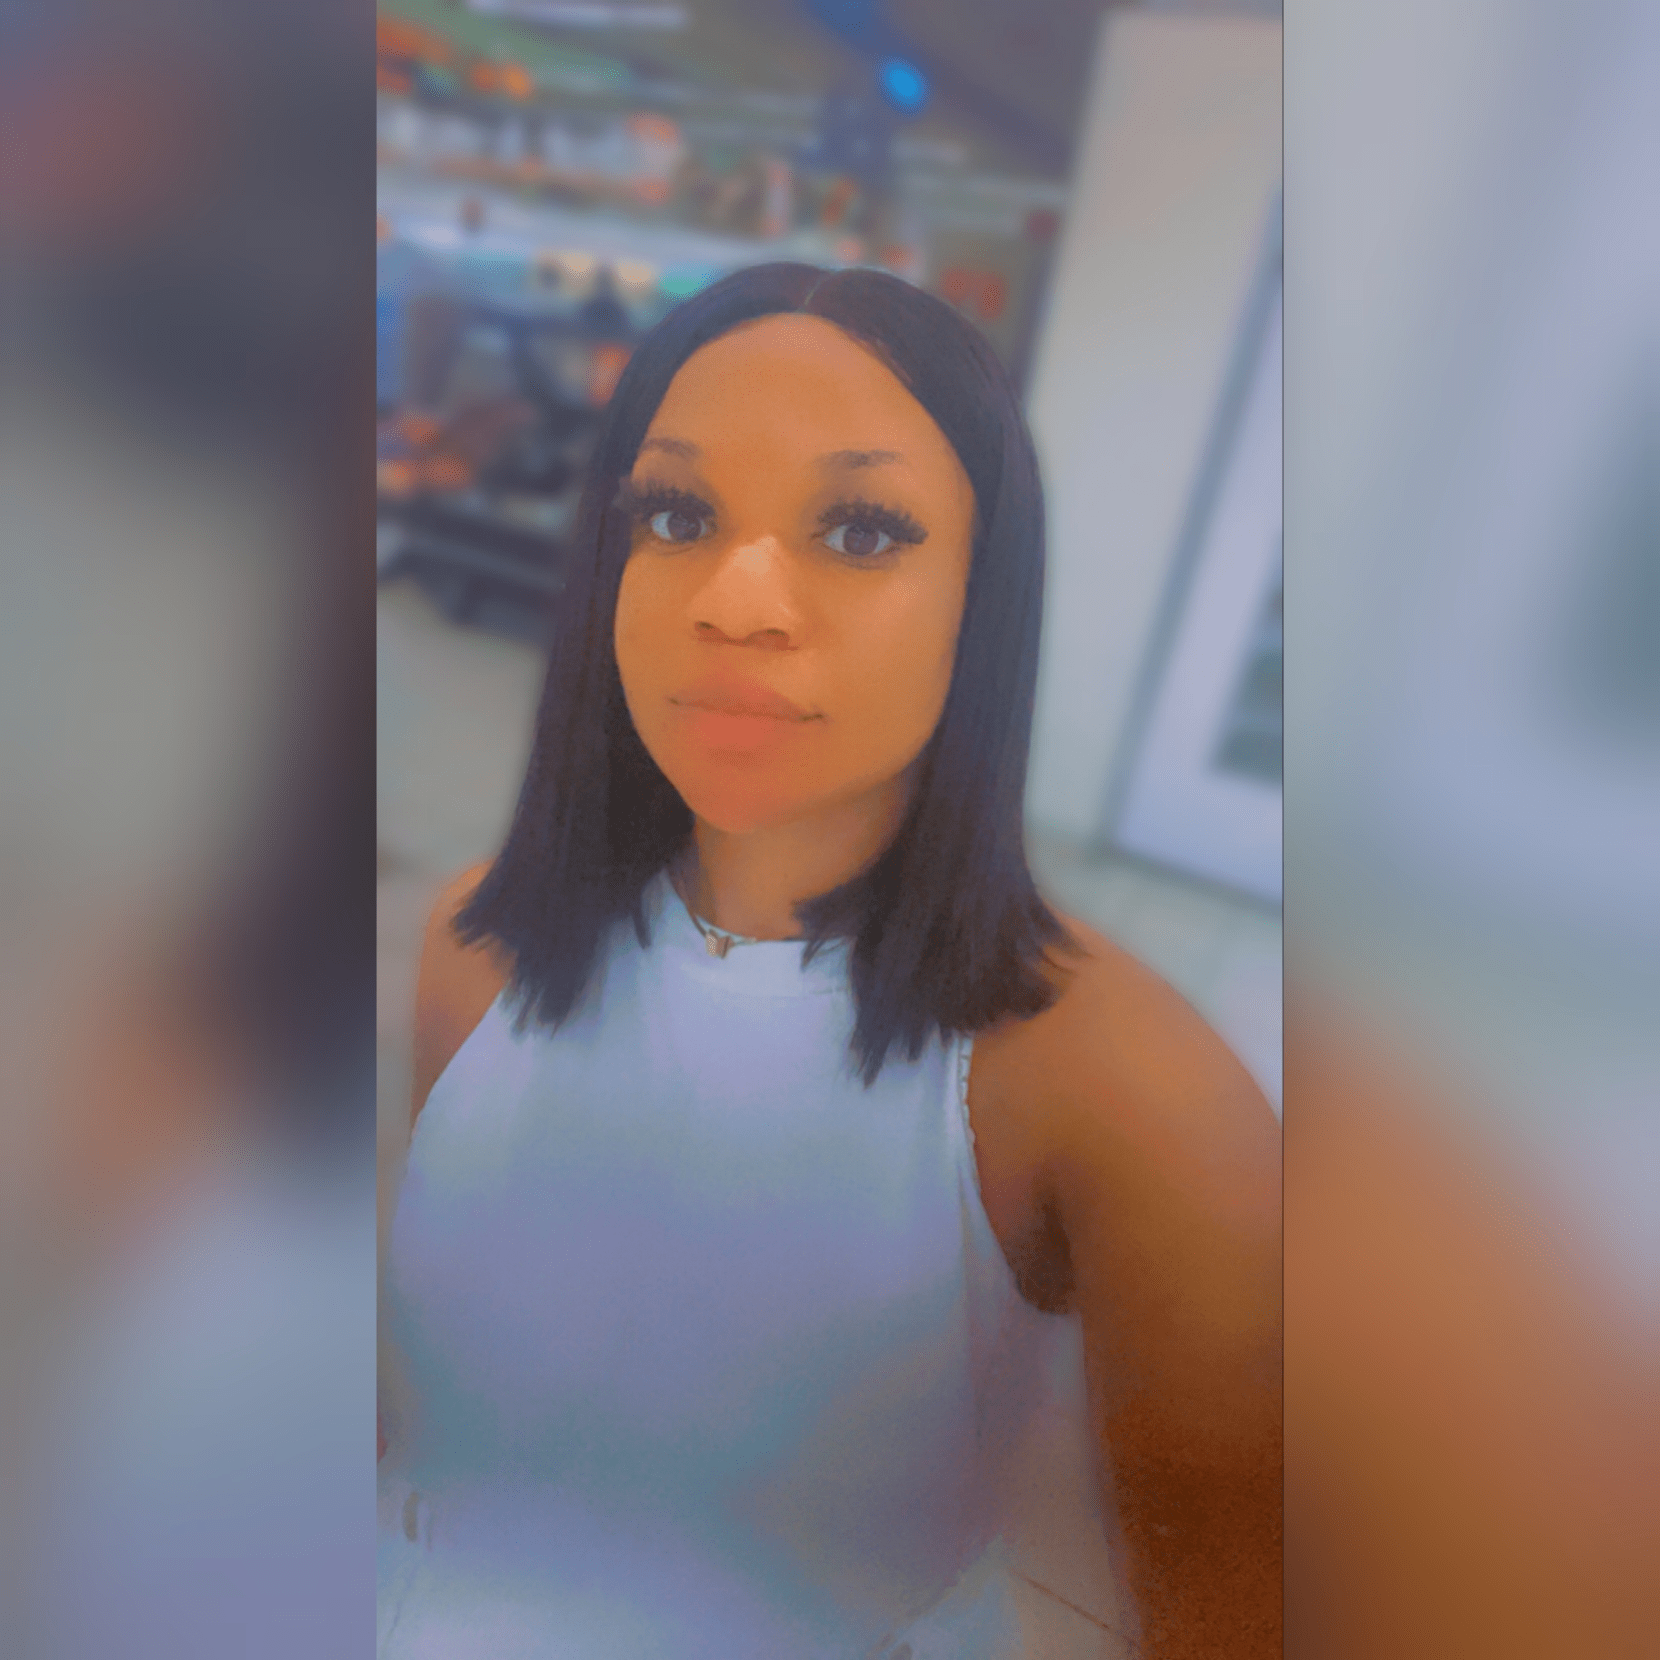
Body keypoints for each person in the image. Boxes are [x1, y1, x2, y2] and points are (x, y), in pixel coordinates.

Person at [377, 263, 1281, 1660]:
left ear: (984, 598)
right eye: (676, 515)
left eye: (860, 529)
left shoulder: (1132, 1095)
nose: (736, 600)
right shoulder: (469, 948)